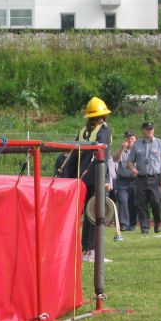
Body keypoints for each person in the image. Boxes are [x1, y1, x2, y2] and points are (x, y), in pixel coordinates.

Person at [57, 97, 112, 262]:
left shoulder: (83, 131)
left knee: (85, 214)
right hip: (96, 177)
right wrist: (106, 178)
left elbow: (73, 156)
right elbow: (102, 156)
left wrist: (69, 177)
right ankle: (89, 251)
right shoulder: (104, 130)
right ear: (103, 115)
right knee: (94, 214)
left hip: (81, 178)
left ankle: (86, 249)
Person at [127, 121, 161, 234]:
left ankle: (158, 222)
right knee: (141, 204)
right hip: (141, 178)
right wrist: (132, 169)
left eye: (152, 129)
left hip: (155, 178)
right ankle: (145, 227)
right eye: (148, 129)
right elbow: (130, 161)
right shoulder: (137, 145)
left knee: (156, 202)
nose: (150, 131)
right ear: (143, 131)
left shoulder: (160, 143)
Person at [112, 130, 137, 231]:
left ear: (135, 140)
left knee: (133, 202)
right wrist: (121, 149)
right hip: (122, 180)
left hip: (135, 180)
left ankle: (132, 223)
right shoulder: (122, 150)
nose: (130, 140)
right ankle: (124, 223)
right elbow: (115, 159)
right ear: (125, 140)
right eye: (128, 138)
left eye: (132, 138)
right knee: (123, 201)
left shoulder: (138, 150)